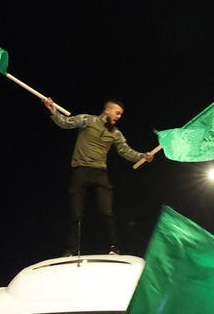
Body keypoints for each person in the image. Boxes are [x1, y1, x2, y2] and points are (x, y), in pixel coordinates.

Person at [42, 97, 154, 256]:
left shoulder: (115, 133)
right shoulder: (87, 120)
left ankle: (114, 247)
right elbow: (66, 123)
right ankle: (71, 250)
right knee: (76, 212)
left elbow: (126, 151)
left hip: (100, 173)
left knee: (106, 211)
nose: (119, 117)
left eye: (121, 115)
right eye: (117, 113)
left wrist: (143, 156)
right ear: (107, 110)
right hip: (80, 171)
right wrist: (53, 110)